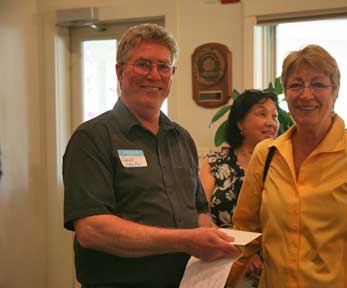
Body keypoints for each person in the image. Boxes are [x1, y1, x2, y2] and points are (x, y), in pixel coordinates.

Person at [62, 23, 237, 288]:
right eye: (143, 64)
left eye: (163, 66)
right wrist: (186, 240)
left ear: (172, 74)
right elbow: (92, 230)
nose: (154, 75)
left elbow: (199, 211)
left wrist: (214, 238)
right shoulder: (93, 138)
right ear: (120, 71)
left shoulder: (182, 139)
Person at [226, 44, 347, 288]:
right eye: (296, 85)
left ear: (335, 91)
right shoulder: (266, 155)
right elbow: (244, 232)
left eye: (318, 84)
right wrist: (223, 281)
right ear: (286, 92)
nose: (306, 95)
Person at [199, 89, 280, 285]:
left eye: (275, 116)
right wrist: (241, 252)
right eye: (261, 114)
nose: (271, 122)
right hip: (222, 261)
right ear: (240, 123)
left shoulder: (284, 166)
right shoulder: (214, 163)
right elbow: (201, 214)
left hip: (275, 266)